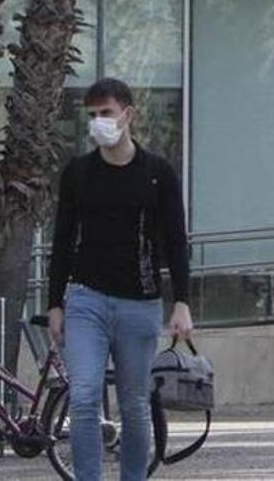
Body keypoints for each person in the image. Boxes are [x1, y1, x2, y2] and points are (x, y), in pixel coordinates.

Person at [47, 78, 193, 481]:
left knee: (134, 404)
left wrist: (182, 300)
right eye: (92, 115)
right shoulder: (78, 173)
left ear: (127, 115)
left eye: (106, 113)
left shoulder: (157, 173)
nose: (99, 122)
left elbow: (176, 240)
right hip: (86, 300)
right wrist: (54, 303)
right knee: (84, 397)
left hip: (139, 303)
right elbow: (62, 241)